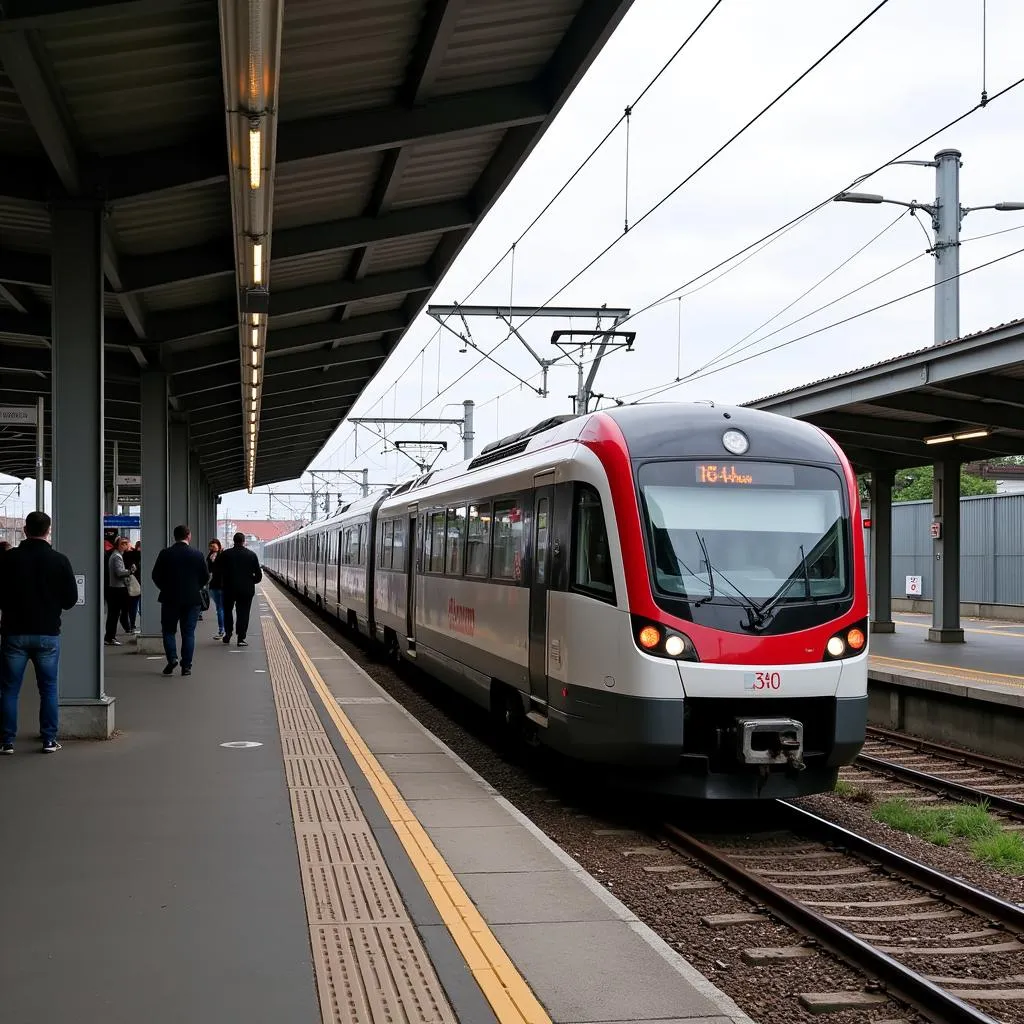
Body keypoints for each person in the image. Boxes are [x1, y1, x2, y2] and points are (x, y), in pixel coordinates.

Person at [0, 511, 79, 754]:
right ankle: (48, 739)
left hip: (14, 633)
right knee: (48, 688)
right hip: (47, 633)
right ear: (49, 531)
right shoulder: (59, 560)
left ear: (25, 530)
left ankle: (7, 741)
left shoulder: (8, 559)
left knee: (10, 689)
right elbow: (70, 600)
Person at [151, 524, 209, 677]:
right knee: (188, 633)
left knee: (169, 631)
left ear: (174, 537)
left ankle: (172, 658)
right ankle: (187, 666)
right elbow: (205, 576)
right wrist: (195, 587)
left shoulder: (165, 554)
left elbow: (155, 575)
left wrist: (165, 588)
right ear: (188, 536)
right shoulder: (197, 554)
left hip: (170, 598)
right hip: (192, 599)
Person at [212, 532, 262, 647]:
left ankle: (228, 634)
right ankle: (241, 638)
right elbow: (259, 576)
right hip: (246, 590)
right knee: (243, 613)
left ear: (234, 541)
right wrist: (250, 581)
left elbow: (216, 570)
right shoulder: (251, 555)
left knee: (228, 611)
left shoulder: (225, 554)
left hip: (229, 588)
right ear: (243, 541)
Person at [119, 540, 141, 634]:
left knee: (132, 606)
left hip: (130, 584)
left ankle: (131, 625)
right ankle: (132, 625)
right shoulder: (136, 556)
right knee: (135, 606)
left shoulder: (124, 556)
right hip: (136, 584)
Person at [206, 539, 226, 638]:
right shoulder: (210, 557)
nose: (212, 548)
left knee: (220, 608)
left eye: (214, 546)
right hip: (214, 586)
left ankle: (222, 630)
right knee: (220, 608)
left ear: (218, 546)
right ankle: (223, 629)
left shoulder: (222, 555)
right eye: (211, 546)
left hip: (220, 585)